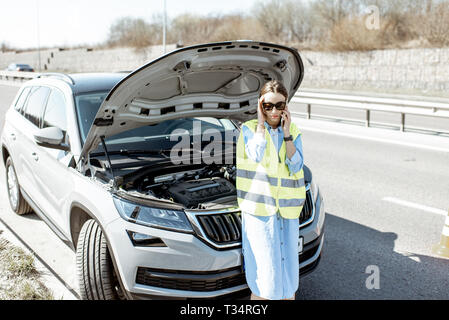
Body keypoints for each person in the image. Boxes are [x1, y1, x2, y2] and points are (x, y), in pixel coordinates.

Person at [236, 80, 306, 300]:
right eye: (268, 106)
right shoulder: (248, 130)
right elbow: (256, 155)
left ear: (286, 106)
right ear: (260, 106)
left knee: (288, 278)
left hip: (286, 213)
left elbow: (296, 164)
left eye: (280, 105)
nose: (274, 111)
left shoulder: (293, 131)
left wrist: (286, 134)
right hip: (260, 213)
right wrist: (259, 124)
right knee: (264, 279)